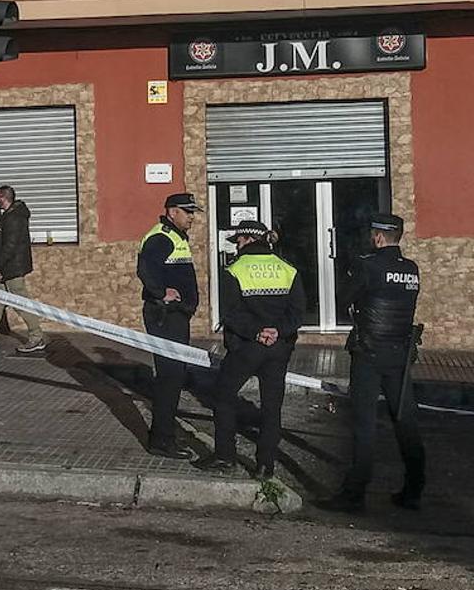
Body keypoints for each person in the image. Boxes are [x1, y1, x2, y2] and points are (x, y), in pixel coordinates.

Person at [317, 213, 424, 514]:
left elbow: (344, 298)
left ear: (378, 237)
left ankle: (354, 494)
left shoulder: (368, 265)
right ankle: (414, 490)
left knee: (364, 425)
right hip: (400, 354)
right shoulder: (411, 269)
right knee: (405, 422)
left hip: (369, 353)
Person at [194, 220, 305, 479]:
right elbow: (298, 312)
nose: (236, 246)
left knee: (223, 396)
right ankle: (265, 465)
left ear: (247, 240)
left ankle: (225, 457)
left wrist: (257, 332)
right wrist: (277, 331)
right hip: (278, 347)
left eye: (238, 241)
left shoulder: (234, 269)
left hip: (247, 347)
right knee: (271, 406)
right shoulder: (287, 268)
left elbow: (231, 314)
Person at [136, 193, 202, 459]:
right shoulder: (161, 237)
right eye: (188, 212)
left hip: (175, 315)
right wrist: (161, 292)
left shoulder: (176, 237)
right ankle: (162, 440)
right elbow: (145, 269)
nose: (192, 217)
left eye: (193, 212)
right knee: (170, 377)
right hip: (165, 315)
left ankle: (164, 435)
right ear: (172, 212)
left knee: (174, 376)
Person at [0, 185, 46, 354]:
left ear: (3, 198)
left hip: (12, 268)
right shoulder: (7, 215)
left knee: (20, 303)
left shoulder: (15, 218)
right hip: (7, 266)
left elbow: (10, 246)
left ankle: (36, 336)